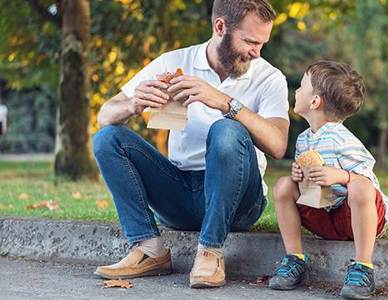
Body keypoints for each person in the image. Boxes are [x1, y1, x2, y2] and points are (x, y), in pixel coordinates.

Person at [92, 0, 289, 288]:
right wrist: (135, 103)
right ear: (220, 27)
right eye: (250, 41)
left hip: (239, 201)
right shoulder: (174, 62)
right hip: (182, 193)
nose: (256, 52)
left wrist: (224, 103)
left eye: (262, 43)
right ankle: (148, 249)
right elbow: (104, 115)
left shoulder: (269, 77)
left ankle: (210, 251)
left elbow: (278, 144)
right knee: (107, 137)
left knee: (226, 130)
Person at [268, 61, 388, 299]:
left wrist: (341, 176)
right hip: (326, 216)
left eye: (302, 86)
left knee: (360, 187)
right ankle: (295, 259)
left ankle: (363, 267)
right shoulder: (304, 139)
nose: (296, 90)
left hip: (356, 217)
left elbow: (367, 182)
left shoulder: (342, 140)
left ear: (315, 101)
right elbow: (305, 185)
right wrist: (298, 176)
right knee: (284, 185)